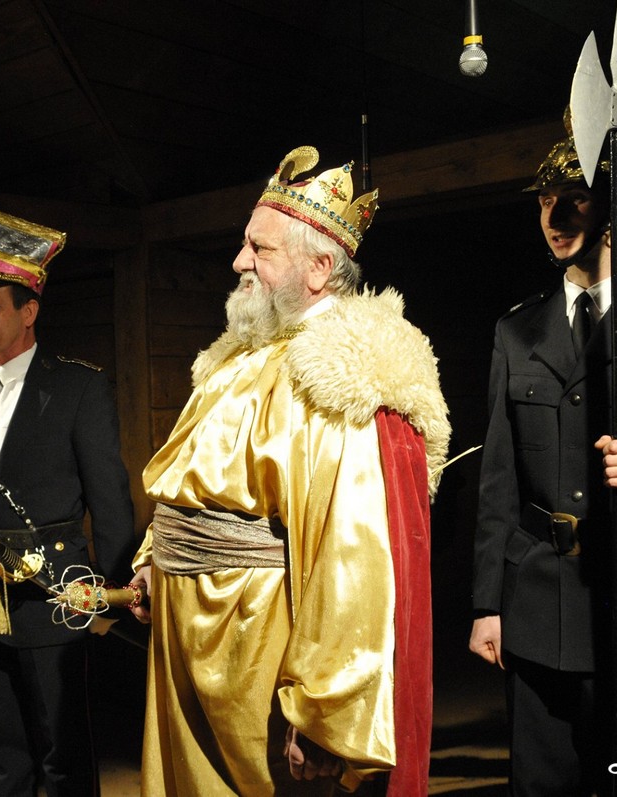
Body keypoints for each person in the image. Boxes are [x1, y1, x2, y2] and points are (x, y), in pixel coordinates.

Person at [128, 146, 451, 796]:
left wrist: (327, 712)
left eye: (260, 248)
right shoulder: (237, 361)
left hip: (255, 655)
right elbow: (191, 483)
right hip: (187, 650)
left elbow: (352, 561)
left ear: (320, 267)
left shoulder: (339, 379)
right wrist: (154, 558)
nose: (238, 261)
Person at [468, 113, 617, 796]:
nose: (553, 216)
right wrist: (487, 603)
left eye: (573, 198)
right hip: (537, 615)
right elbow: (498, 482)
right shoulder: (517, 331)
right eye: (544, 200)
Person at [0, 207, 138, 797]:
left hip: (55, 599)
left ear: (29, 311)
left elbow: (109, 499)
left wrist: (111, 596)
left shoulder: (76, 387)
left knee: (64, 760)